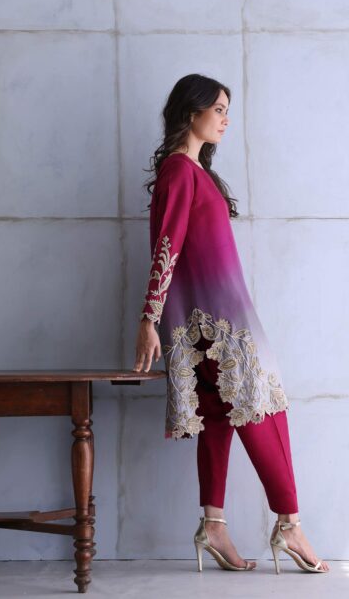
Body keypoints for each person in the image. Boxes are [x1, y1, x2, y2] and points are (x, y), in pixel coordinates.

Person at [133, 73, 329, 574]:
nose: (225, 120)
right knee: (261, 411)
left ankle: (214, 524)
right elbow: (167, 247)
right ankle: (289, 524)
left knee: (221, 416)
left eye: (227, 111)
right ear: (191, 112)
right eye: (218, 109)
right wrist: (149, 318)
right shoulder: (180, 171)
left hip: (222, 318)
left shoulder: (196, 172)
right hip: (216, 325)